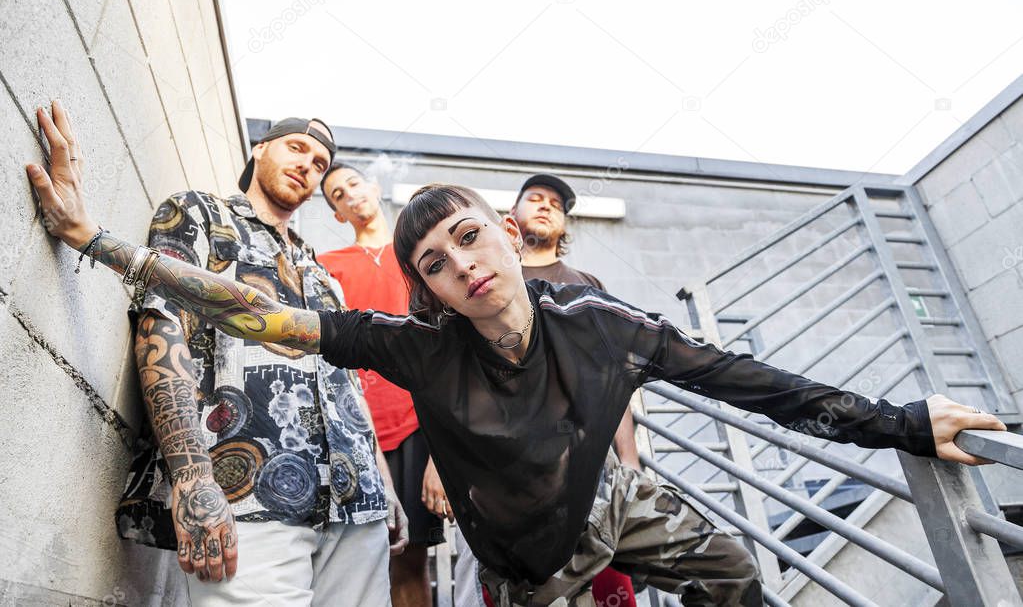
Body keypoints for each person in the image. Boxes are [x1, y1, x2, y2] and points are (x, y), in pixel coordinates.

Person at [28, 101, 1006, 606]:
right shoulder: (417, 348)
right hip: (527, 561)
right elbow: (256, 310)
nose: (462, 265)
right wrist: (98, 242)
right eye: (435, 262)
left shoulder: (606, 324)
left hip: (616, 497)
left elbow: (759, 386)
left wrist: (905, 422)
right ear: (429, 285)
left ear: (501, 232)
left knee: (737, 570)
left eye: (468, 238)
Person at [104, 110, 407, 606]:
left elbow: (347, 382)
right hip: (246, 499)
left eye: (320, 162)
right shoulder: (198, 214)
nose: (308, 165)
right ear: (259, 149)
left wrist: (386, 485)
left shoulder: (322, 271)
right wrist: (192, 476)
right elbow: (161, 325)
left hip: (358, 507)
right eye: (295, 148)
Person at [444, 174, 641, 606]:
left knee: (604, 582)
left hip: (587, 462)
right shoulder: (478, 283)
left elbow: (614, 382)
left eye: (557, 203)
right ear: (509, 219)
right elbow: (448, 384)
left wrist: (630, 461)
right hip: (501, 470)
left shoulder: (585, 285)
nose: (547, 205)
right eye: (534, 198)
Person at [317, 161, 444, 607]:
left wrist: (441, 456)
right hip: (360, 427)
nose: (350, 195)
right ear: (336, 214)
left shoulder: (420, 255)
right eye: (337, 195)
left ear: (372, 186)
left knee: (411, 559)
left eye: (353, 184)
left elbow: (446, 347)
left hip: (418, 423)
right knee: (370, 557)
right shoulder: (326, 266)